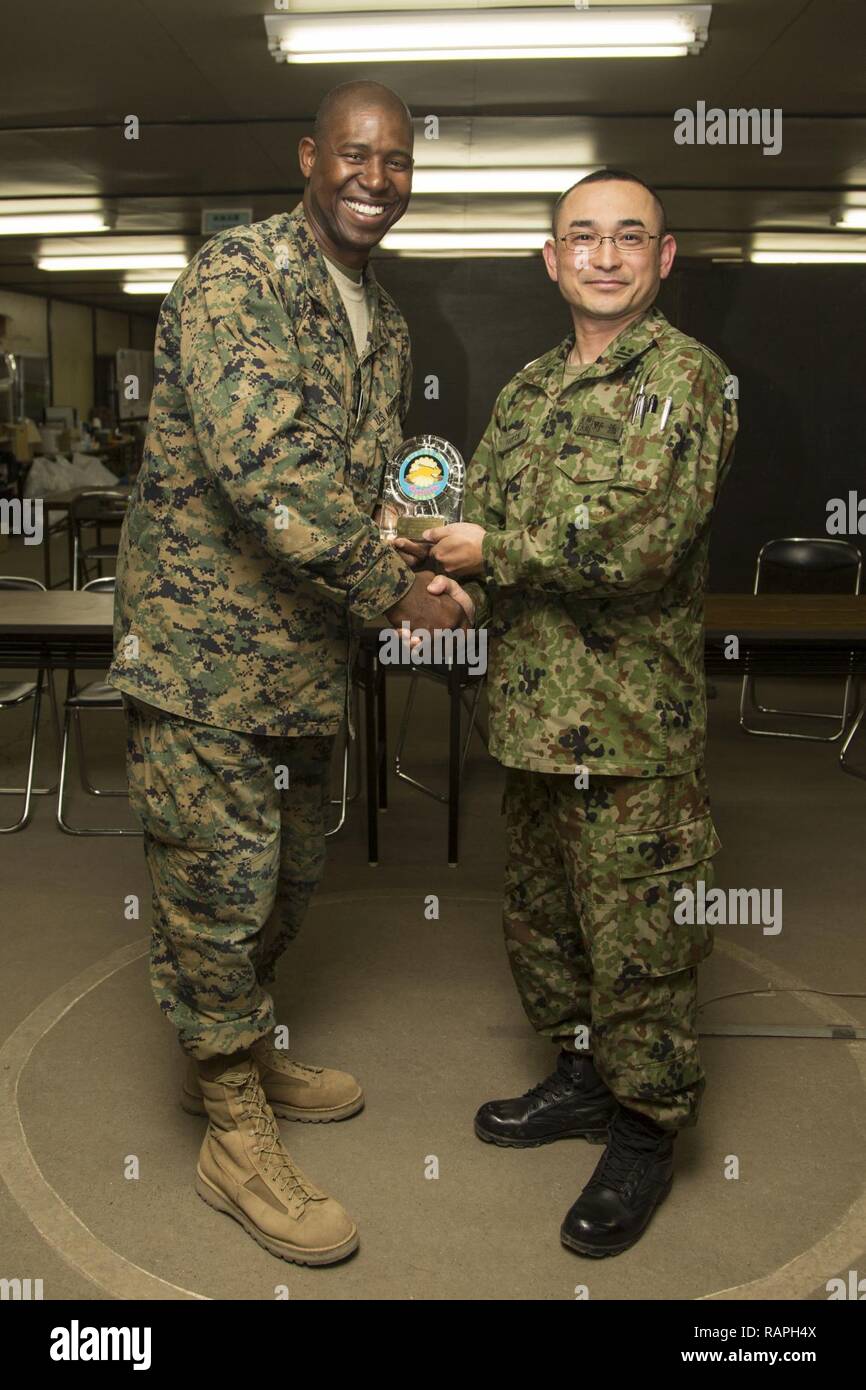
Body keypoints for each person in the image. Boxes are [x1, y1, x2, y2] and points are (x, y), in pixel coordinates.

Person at [107, 80, 463, 1267]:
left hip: (301, 665)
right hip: (207, 661)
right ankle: (227, 1126)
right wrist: (395, 593)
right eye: (356, 155)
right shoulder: (237, 279)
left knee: (285, 880)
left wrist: (413, 547)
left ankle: (241, 1045)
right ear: (309, 157)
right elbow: (266, 465)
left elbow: (346, 485)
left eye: (398, 162)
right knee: (214, 890)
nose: (376, 178)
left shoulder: (383, 317)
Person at [407, 169, 739, 1258]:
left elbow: (643, 548)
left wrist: (490, 554)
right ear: (550, 260)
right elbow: (489, 534)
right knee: (547, 933)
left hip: (632, 736)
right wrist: (454, 588)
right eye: (581, 238)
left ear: (662, 258)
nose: (603, 255)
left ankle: (645, 1131)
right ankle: (584, 1078)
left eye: (627, 237)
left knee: (641, 943)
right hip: (533, 727)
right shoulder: (526, 390)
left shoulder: (688, 382)